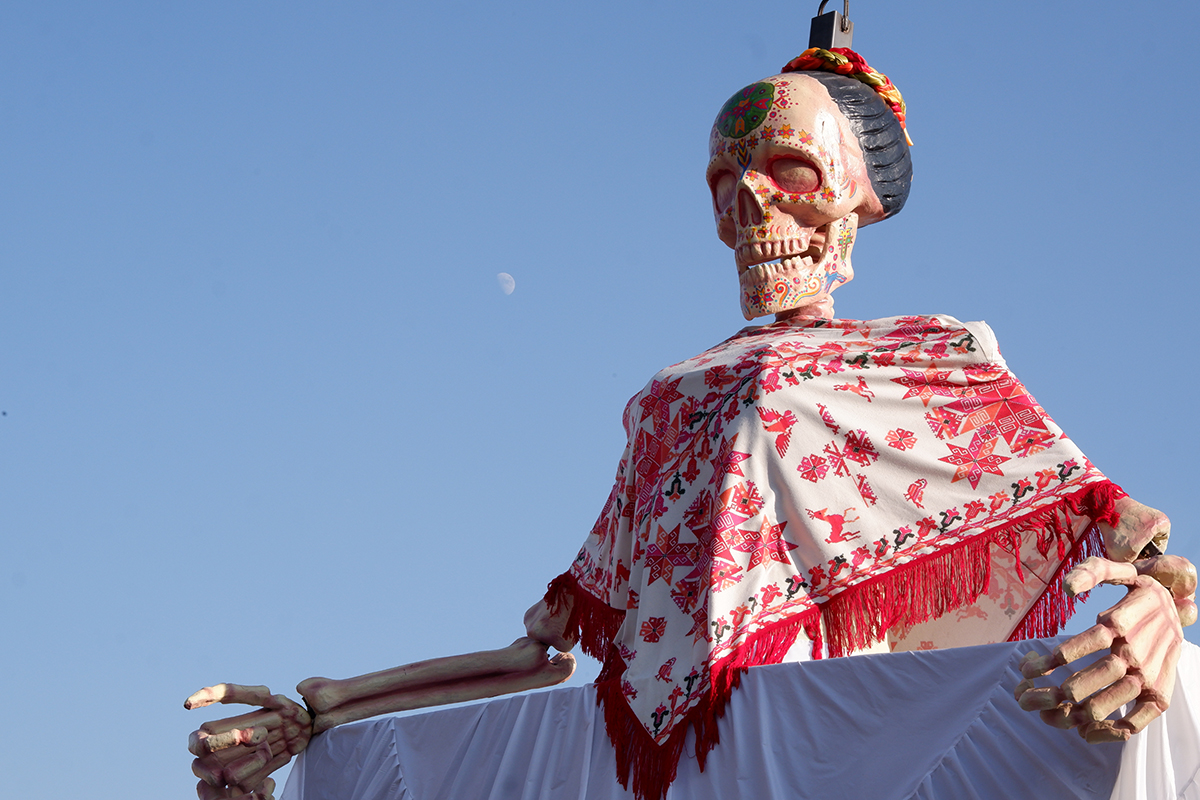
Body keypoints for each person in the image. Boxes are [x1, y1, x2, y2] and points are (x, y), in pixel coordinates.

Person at [185, 47, 1197, 800]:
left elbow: (1122, 526)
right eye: (726, 182)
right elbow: (547, 649)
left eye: (788, 172)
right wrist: (321, 711)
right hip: (668, 770)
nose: (750, 205)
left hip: (829, 748)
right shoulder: (672, 393)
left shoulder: (929, 357)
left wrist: (1160, 611)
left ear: (855, 201)